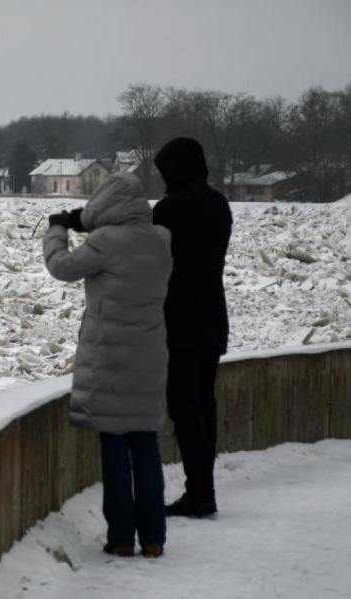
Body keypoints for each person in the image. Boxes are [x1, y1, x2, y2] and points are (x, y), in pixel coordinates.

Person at [43, 172, 173, 558]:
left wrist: (57, 229)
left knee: (115, 450)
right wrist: (87, 219)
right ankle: (153, 538)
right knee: (146, 448)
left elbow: (61, 267)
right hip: (150, 358)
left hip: (110, 360)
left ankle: (121, 538)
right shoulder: (162, 240)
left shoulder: (104, 243)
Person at [152, 137, 232, 518]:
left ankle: (198, 493)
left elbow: (152, 258)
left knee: (184, 407)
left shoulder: (170, 209)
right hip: (212, 316)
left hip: (179, 320)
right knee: (205, 404)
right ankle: (204, 489)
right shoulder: (219, 204)